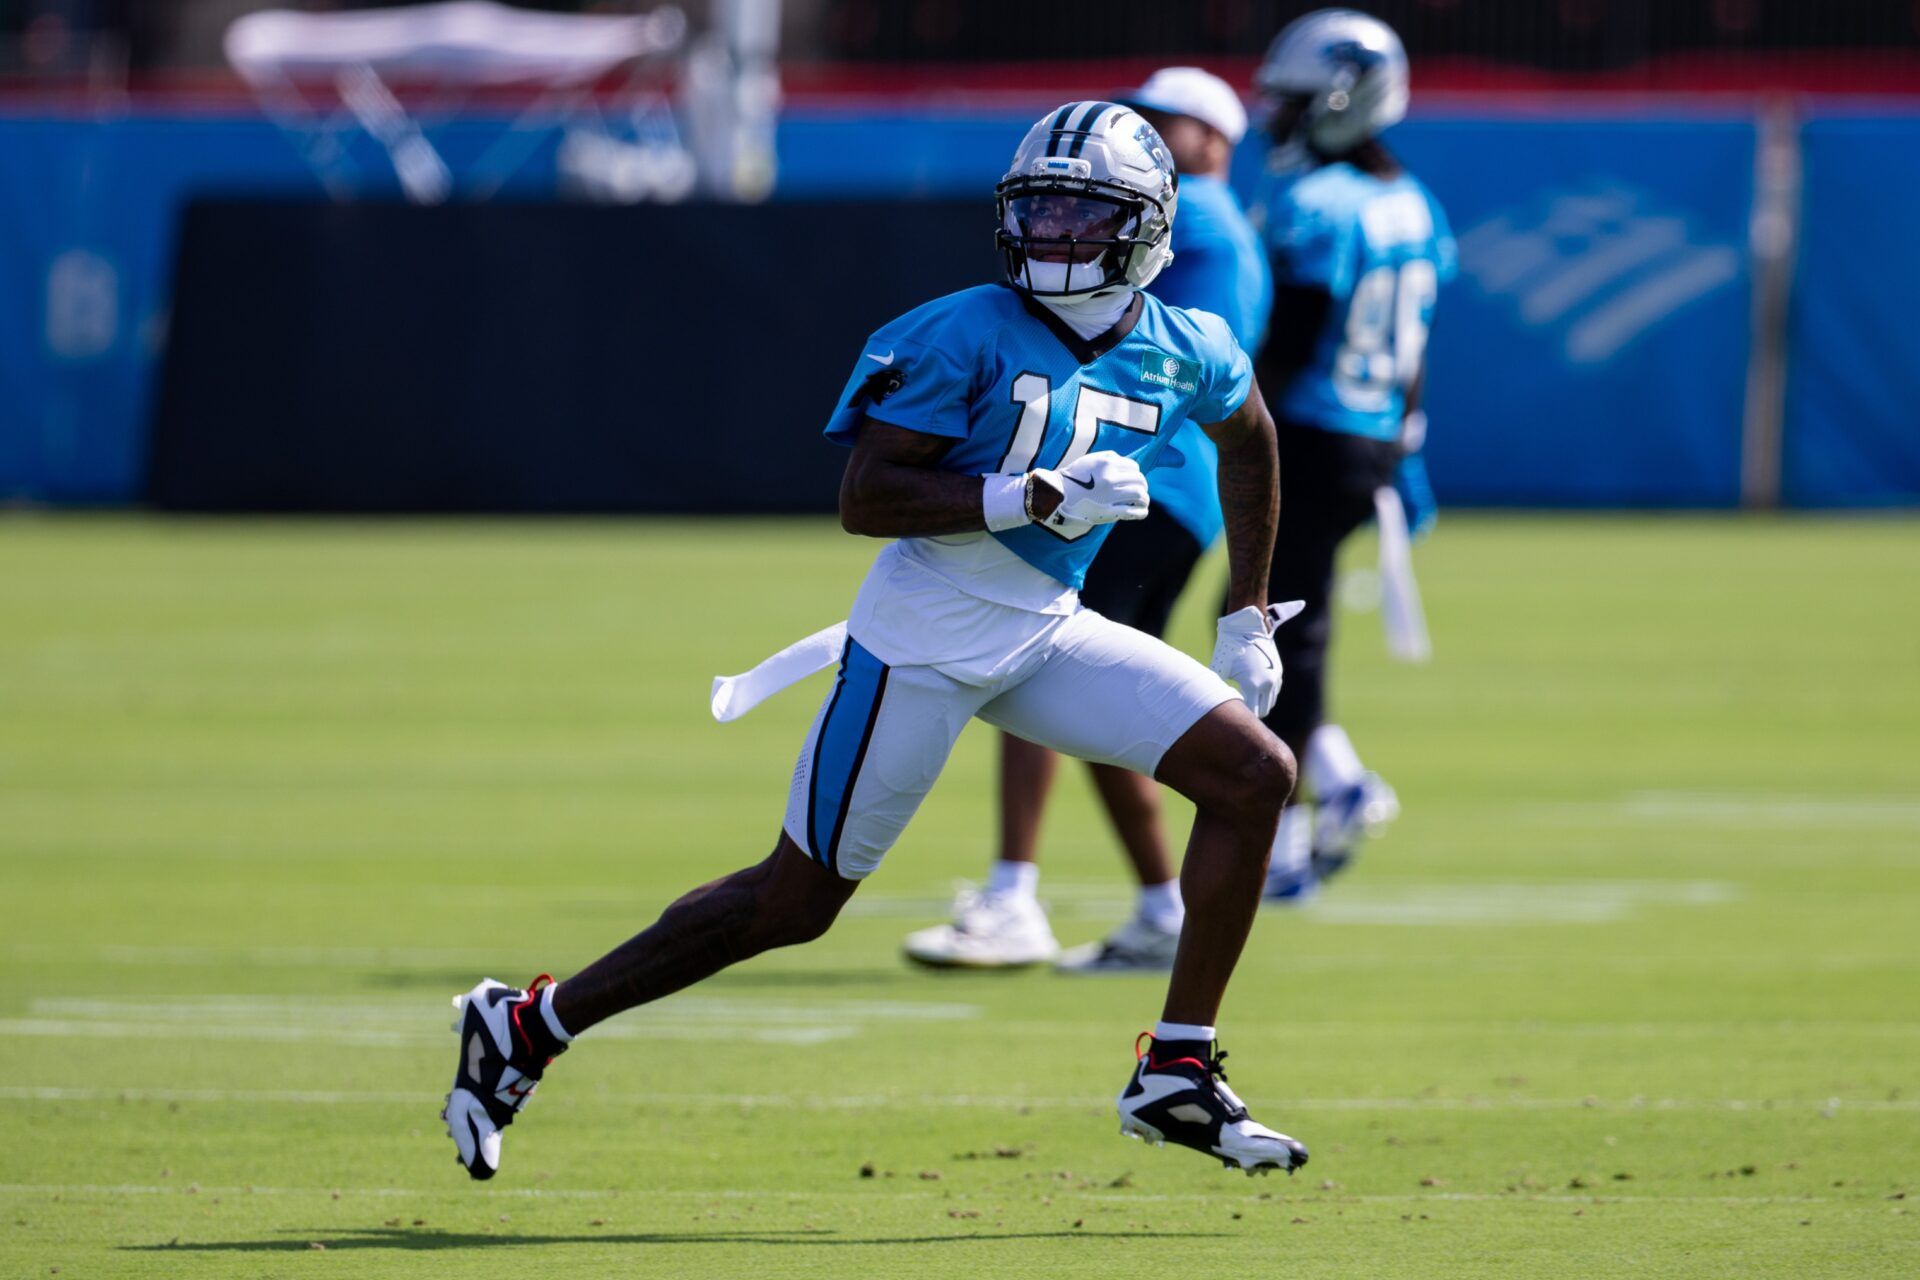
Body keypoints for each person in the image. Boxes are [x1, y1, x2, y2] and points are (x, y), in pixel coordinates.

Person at [442, 101, 1310, 1182]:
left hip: (1043, 630)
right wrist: (1025, 493)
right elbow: (869, 495)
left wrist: (1247, 609)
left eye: (1085, 213)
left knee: (1253, 773)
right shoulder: (958, 329)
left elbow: (1254, 436)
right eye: (1038, 208)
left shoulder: (1190, 347)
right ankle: (527, 1024)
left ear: (1146, 226)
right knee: (794, 902)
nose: (1055, 233)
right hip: (921, 639)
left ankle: (1176, 1068)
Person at [900, 68, 1275, 974]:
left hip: (1144, 481)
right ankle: (1148, 901)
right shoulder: (1185, 219)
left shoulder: (1209, 225)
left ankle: (1018, 893)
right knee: (1089, 689)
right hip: (1141, 481)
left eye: (1173, 120)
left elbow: (1169, 362)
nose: (1148, 127)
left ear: (1218, 140)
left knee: (1043, 658)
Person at [1246, 9, 1455, 903]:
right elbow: (1414, 355)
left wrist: (1218, 417)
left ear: (1337, 100)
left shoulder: (1316, 207)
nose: (1274, 117)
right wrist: (1405, 442)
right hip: (1369, 439)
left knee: (1272, 628)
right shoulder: (1414, 201)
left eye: (1291, 101)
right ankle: (1334, 783)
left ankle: (1286, 833)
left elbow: (1286, 347)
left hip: (1309, 434)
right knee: (1292, 625)